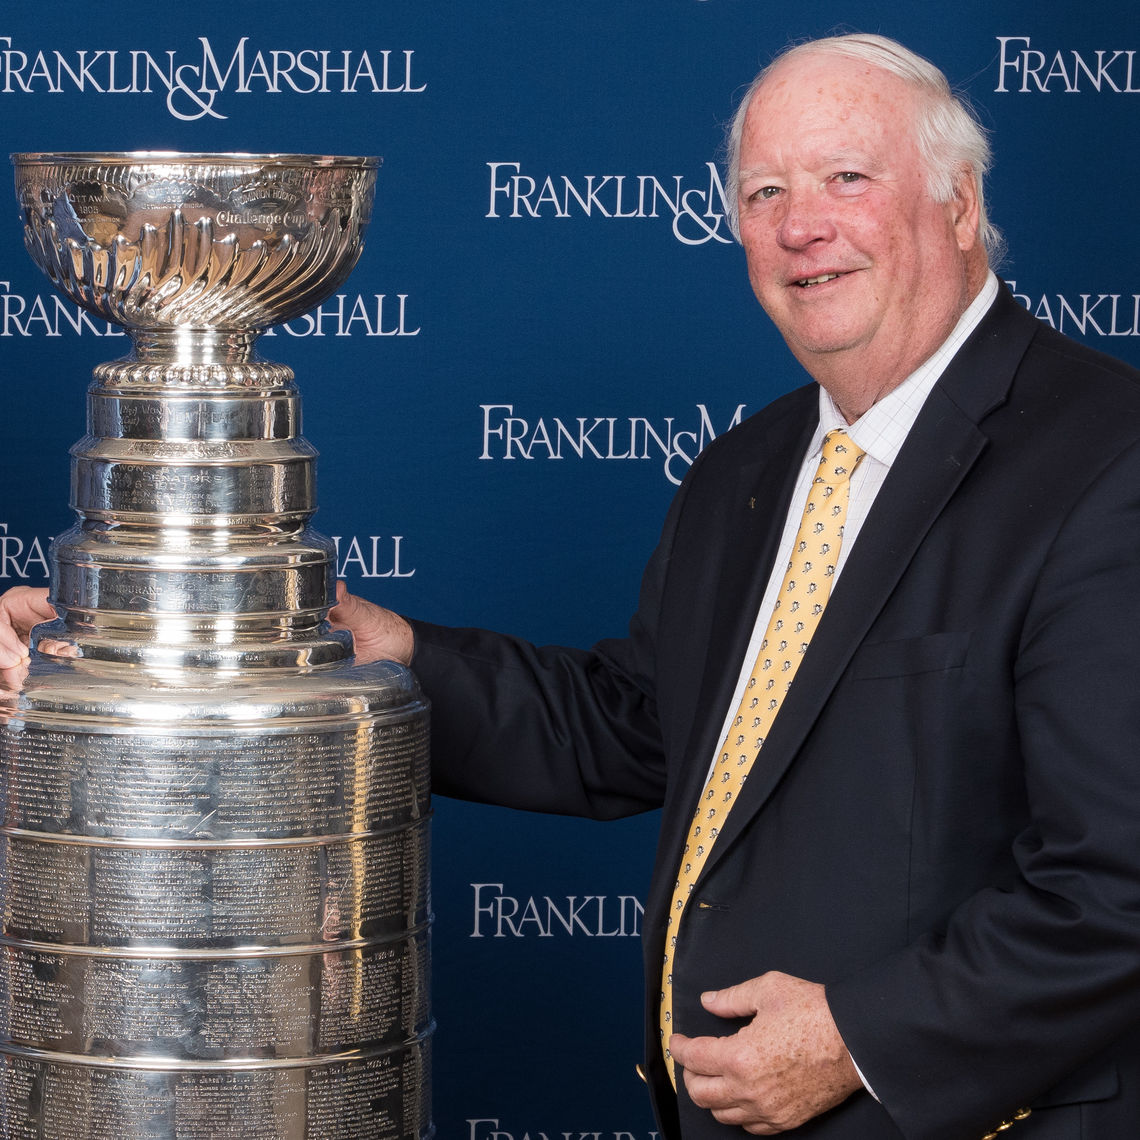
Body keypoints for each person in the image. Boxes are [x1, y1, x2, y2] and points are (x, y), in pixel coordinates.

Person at [5, 33, 1140, 1140]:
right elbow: (637, 725)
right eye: (763, 192)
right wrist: (373, 650)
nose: (802, 227)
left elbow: (1119, 886)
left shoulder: (1105, 460)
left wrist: (855, 1038)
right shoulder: (750, 469)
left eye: (849, 178)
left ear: (957, 198)